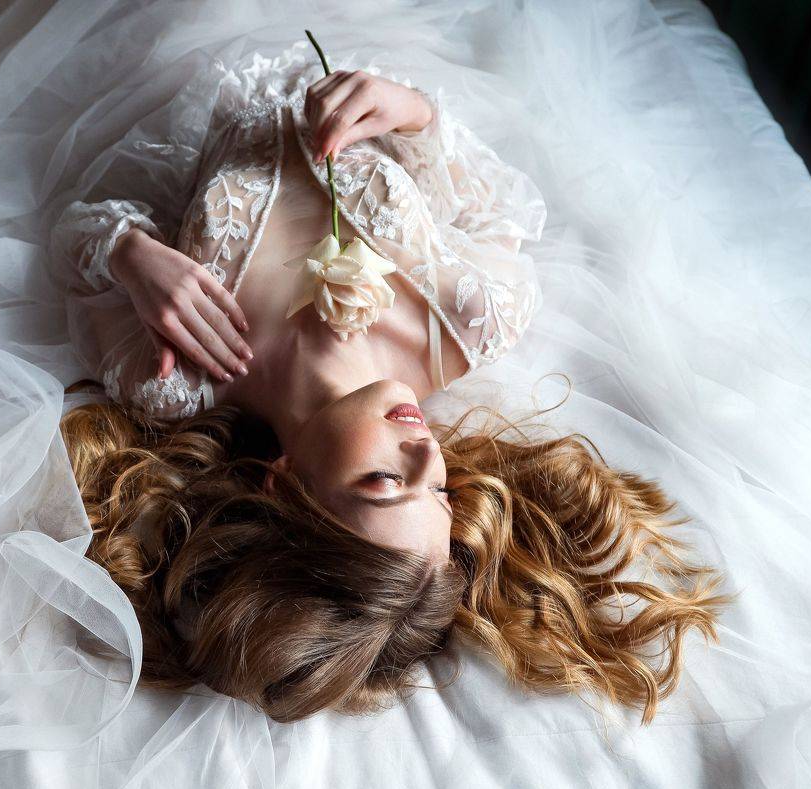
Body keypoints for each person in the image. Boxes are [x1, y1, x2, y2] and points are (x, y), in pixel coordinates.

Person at [50, 41, 729, 723]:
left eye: (385, 481)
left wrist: (130, 253)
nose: (428, 453)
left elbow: (75, 232)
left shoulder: (176, 378)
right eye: (439, 491)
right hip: (376, 38)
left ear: (282, 484)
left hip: (173, 55)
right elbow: (500, 208)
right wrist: (415, 115)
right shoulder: (470, 323)